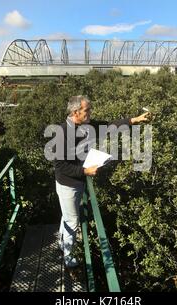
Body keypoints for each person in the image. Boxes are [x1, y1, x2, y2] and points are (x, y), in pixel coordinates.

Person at [54, 95, 149, 268]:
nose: (90, 113)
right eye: (87, 110)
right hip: (68, 184)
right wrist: (84, 171)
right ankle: (68, 257)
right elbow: (60, 165)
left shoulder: (86, 125)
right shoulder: (63, 133)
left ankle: (62, 242)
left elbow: (110, 126)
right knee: (73, 220)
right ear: (76, 112)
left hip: (79, 181)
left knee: (68, 214)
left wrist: (134, 120)